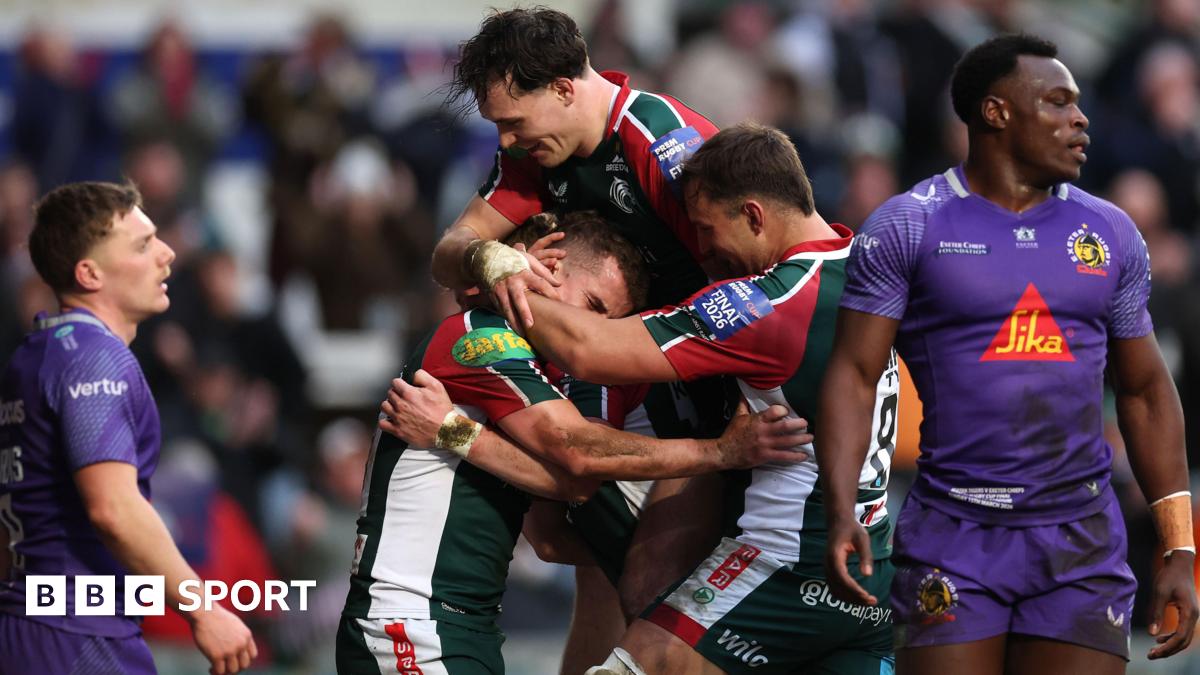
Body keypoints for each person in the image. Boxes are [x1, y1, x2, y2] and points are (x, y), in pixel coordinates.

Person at [385, 123, 900, 675]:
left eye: (706, 229)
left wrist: (498, 277)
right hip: (870, 565)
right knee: (624, 585)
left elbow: (583, 388)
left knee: (638, 603)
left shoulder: (766, 304)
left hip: (788, 566)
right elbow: (554, 526)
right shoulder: (863, 266)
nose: (703, 250)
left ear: (753, 215)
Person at [817, 33, 1198, 675]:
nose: (1080, 119)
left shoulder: (1109, 232)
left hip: (1081, 542)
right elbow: (854, 375)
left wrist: (1179, 548)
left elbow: (1146, 391)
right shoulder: (908, 226)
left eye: (1077, 103)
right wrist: (843, 508)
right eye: (1058, 102)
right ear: (995, 113)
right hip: (952, 535)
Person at [338, 212, 808, 674]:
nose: (592, 331)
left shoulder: (531, 377)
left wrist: (453, 432)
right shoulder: (480, 336)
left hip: (463, 626)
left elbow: (568, 495)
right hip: (409, 622)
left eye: (608, 321)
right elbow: (578, 449)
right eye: (594, 305)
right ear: (548, 265)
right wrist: (722, 452)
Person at [435, 7, 734, 666]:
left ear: (564, 88)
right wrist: (487, 258)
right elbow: (450, 250)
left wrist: (739, 427)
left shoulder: (665, 148)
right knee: (584, 558)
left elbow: (759, 281)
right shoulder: (535, 154)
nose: (507, 140)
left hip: (723, 390)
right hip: (638, 378)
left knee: (649, 584)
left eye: (514, 121)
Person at [0, 182, 256, 673]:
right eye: (142, 245)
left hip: (27, 622)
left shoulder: (33, 355)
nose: (167, 254)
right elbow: (113, 508)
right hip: (77, 635)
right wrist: (203, 609)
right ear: (89, 273)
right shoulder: (95, 360)